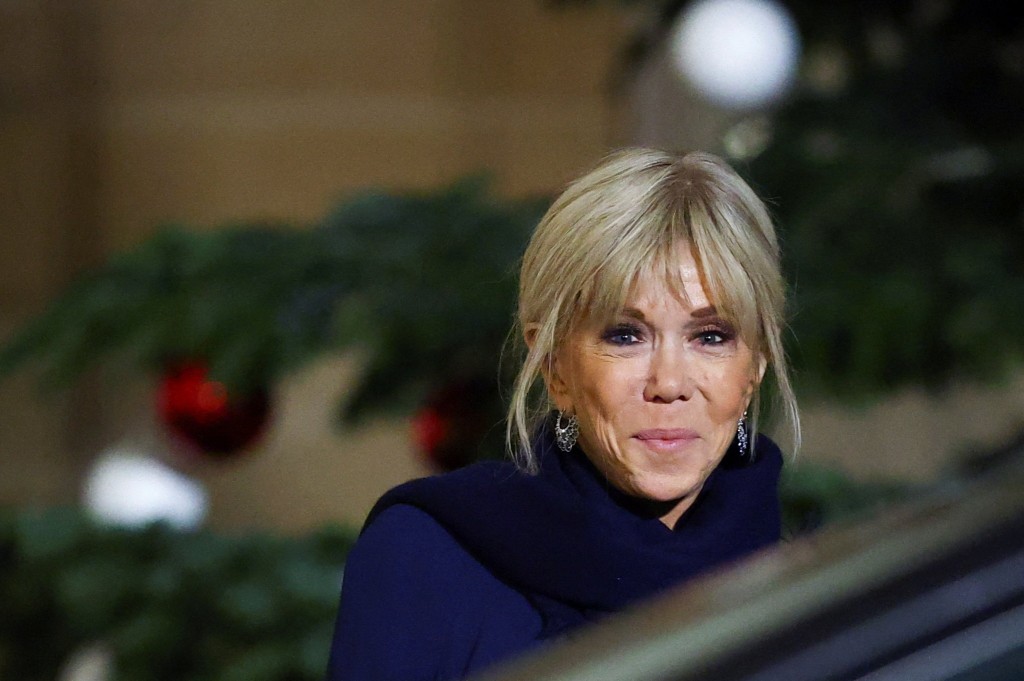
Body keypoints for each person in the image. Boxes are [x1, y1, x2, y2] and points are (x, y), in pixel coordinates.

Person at [325, 148, 800, 680]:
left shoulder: (818, 588)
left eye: (710, 337)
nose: (669, 383)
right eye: (626, 335)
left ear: (755, 363)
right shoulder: (423, 560)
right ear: (555, 368)